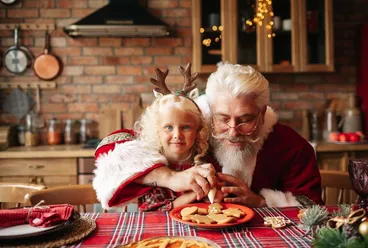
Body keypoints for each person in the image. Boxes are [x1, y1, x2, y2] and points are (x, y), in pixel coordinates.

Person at [94, 63, 322, 210]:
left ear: (262, 114)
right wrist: (170, 178)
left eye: (245, 120)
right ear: (210, 111)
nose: (233, 131)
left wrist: (261, 202)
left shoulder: (291, 145)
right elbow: (110, 146)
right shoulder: (192, 125)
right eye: (223, 118)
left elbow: (312, 206)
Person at [93, 64, 220, 210]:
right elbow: (153, 210)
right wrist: (192, 195)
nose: (177, 135)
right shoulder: (150, 163)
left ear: (198, 130)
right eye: (168, 127)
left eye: (186, 127)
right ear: (156, 131)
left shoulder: (205, 161)